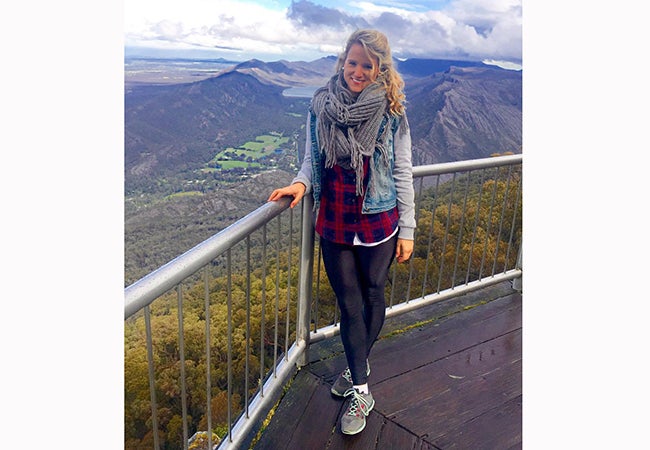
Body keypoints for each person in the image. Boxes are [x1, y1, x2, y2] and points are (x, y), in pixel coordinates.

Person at [268, 29, 415, 435]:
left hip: (378, 218)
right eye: (352, 63)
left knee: (372, 295)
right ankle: (361, 383)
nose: (358, 71)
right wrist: (300, 185)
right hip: (333, 219)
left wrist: (409, 228)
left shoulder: (392, 111)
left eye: (367, 65)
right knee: (348, 304)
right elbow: (312, 158)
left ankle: (356, 375)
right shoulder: (321, 106)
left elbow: (401, 170)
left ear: (380, 68)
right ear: (342, 62)